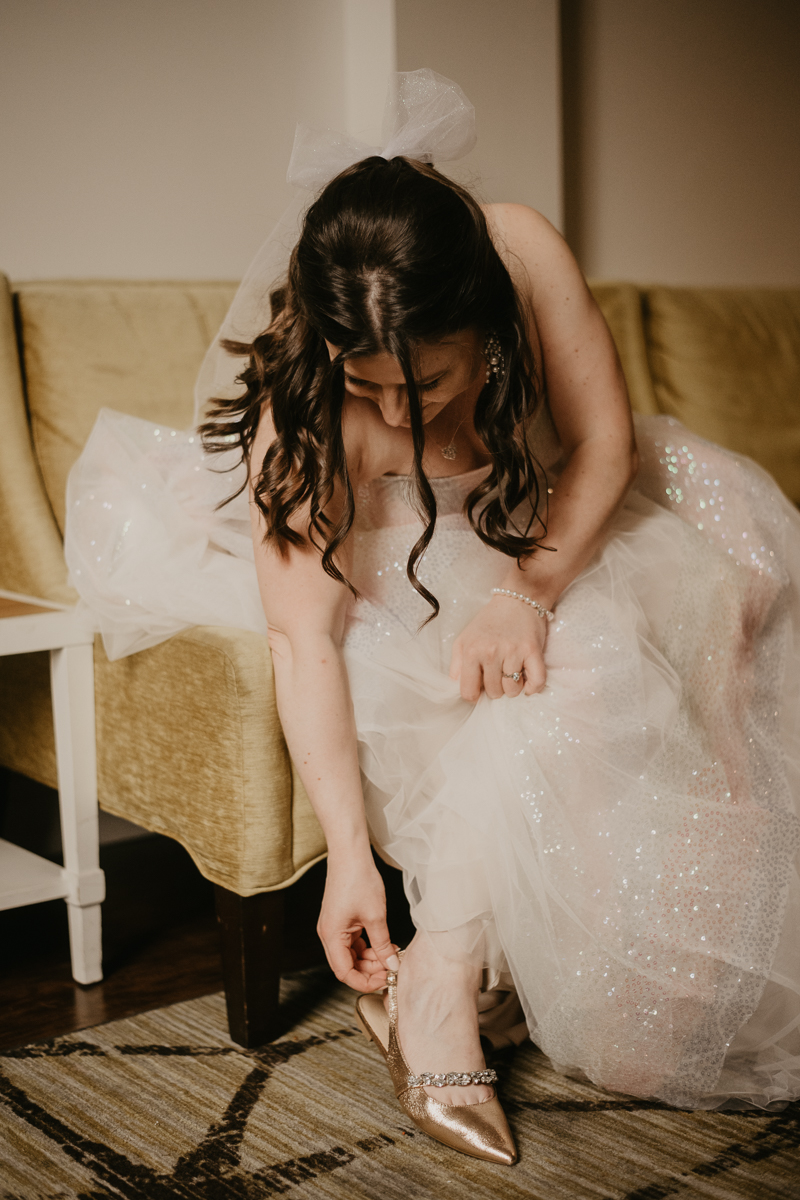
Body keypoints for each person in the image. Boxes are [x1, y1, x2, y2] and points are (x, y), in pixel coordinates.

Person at [66, 72, 800, 1165]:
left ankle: (443, 975)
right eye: (375, 392)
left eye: (433, 383)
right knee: (535, 669)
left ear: (482, 321)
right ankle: (444, 990)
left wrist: (522, 593)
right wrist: (352, 868)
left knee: (632, 616)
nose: (403, 412)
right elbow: (301, 638)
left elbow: (601, 447)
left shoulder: (518, 252)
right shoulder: (304, 413)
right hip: (390, 570)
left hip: (565, 521)